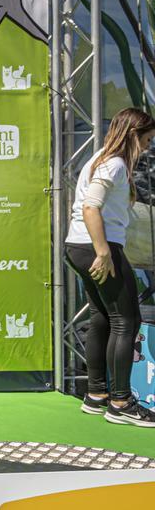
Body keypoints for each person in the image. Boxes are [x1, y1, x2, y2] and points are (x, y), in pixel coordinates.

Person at [65, 107, 155, 426]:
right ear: (133, 135)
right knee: (126, 321)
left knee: (102, 316)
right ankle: (121, 403)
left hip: (78, 246)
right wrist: (104, 253)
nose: (146, 147)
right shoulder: (114, 164)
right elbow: (91, 208)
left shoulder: (101, 158)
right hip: (96, 246)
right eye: (146, 140)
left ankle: (97, 395)